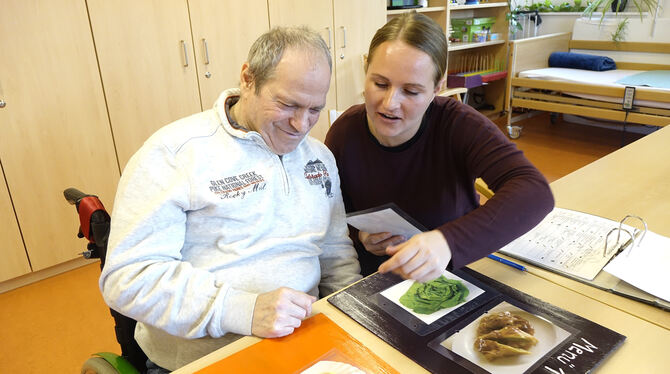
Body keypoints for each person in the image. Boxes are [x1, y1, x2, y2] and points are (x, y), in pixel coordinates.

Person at [100, 26, 362, 372]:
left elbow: (335, 254)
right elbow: (128, 277)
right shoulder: (174, 154)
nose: (302, 125)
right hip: (208, 358)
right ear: (248, 79)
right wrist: (243, 310)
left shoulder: (319, 158)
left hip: (304, 342)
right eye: (287, 104)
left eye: (315, 109)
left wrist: (355, 319)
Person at [325, 13, 554, 282]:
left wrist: (447, 242)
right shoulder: (344, 133)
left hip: (452, 274)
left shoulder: (459, 125)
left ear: (438, 87)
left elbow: (534, 191)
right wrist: (361, 236)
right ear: (366, 70)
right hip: (375, 277)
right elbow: (333, 217)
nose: (389, 103)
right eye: (380, 84)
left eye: (411, 91)